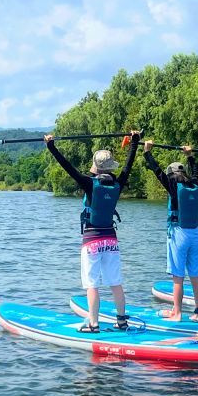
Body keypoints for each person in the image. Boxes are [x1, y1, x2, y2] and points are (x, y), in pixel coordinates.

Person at [44, 131, 141, 332]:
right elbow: (128, 166)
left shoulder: (90, 184)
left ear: (95, 168)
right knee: (116, 283)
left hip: (91, 242)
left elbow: (67, 167)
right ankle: (122, 321)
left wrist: (51, 146)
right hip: (111, 242)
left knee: (92, 285)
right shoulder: (118, 183)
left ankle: (93, 324)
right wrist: (135, 142)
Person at [143, 142, 198, 322]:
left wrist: (147, 152)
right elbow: (196, 172)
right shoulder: (194, 184)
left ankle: (176, 313)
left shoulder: (171, 185)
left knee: (178, 277)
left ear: (171, 175)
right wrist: (190, 155)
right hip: (195, 233)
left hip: (179, 234)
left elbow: (157, 171)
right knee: (194, 275)